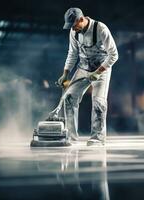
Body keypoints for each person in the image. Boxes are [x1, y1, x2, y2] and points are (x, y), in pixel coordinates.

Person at [50, 8, 118, 146]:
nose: (73, 29)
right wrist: (65, 74)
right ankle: (71, 137)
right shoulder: (74, 32)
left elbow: (114, 55)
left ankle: (97, 138)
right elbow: (72, 53)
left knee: (99, 103)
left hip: (101, 70)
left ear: (81, 20)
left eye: (74, 25)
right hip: (82, 68)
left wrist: (98, 72)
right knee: (69, 98)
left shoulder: (100, 29)